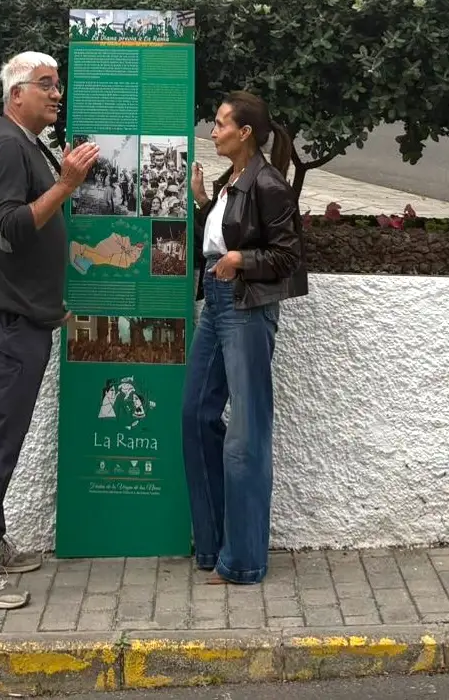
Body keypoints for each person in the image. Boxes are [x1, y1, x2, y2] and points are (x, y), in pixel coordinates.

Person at [0, 52, 99, 610]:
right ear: (16, 94)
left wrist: (45, 304)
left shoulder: (22, 143)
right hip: (8, 324)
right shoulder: (8, 147)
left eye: (58, 84)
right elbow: (10, 228)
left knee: (3, 439)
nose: (57, 93)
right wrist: (65, 185)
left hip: (22, 316)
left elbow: (23, 245)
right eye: (45, 85)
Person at [183, 91, 308, 586]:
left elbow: (287, 256)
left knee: (246, 433)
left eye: (219, 124)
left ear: (245, 132)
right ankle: (212, 546)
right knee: (195, 416)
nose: (213, 132)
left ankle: (244, 561)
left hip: (246, 307)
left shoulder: (269, 183)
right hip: (216, 302)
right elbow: (220, 241)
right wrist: (201, 205)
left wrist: (239, 262)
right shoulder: (231, 180)